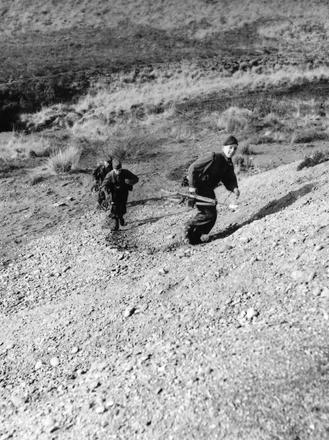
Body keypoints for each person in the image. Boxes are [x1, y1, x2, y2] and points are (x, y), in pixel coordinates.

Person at [184, 135, 240, 244]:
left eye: (235, 148)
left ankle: (194, 237)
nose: (232, 150)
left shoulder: (228, 164)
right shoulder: (213, 157)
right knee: (208, 214)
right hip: (198, 187)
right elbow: (192, 168)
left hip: (208, 190)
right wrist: (192, 188)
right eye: (230, 147)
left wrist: (234, 188)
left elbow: (229, 179)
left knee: (212, 216)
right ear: (224, 147)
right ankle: (189, 227)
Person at [101, 158, 139, 231]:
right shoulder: (110, 175)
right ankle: (116, 225)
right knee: (114, 208)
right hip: (114, 193)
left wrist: (129, 182)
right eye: (116, 170)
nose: (118, 172)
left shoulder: (125, 172)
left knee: (122, 206)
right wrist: (107, 192)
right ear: (113, 169)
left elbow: (136, 178)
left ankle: (121, 217)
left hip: (124, 193)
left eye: (119, 170)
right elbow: (103, 185)